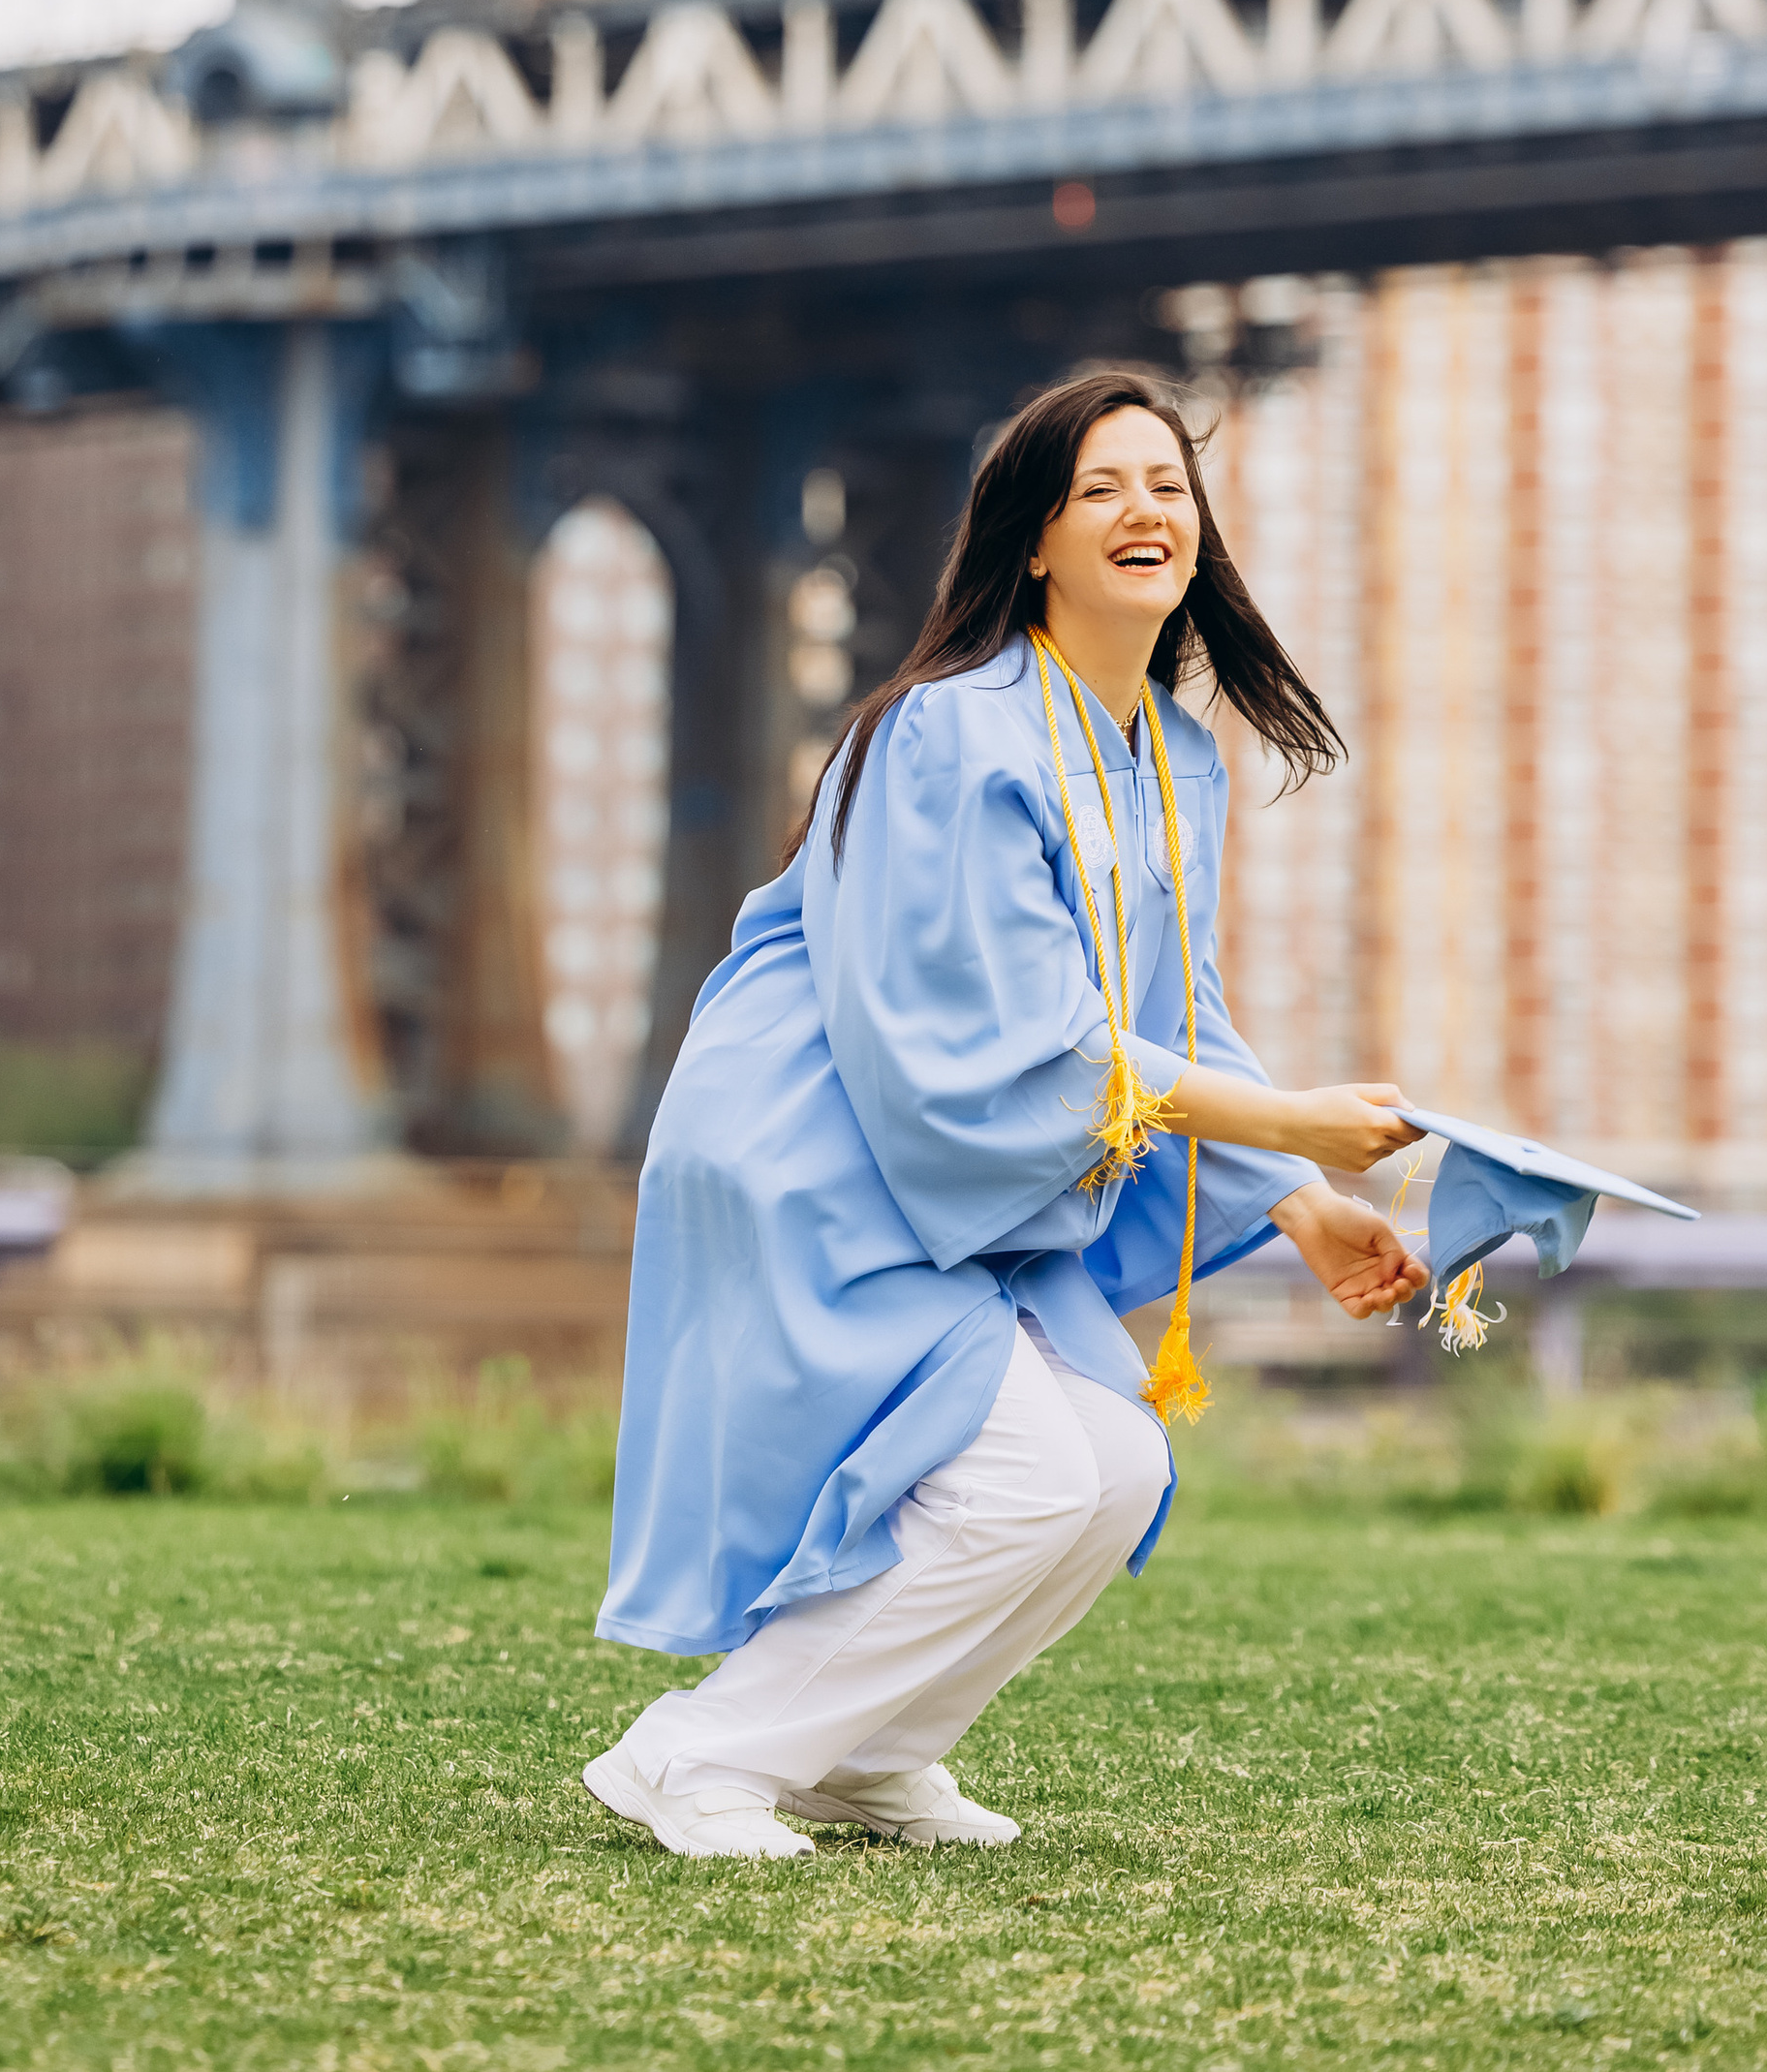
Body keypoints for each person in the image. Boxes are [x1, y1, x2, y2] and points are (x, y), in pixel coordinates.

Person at [584, 364, 1426, 1863]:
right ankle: (695, 1753)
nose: (1144, 509)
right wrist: (1294, 1124)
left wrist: (1302, 1202)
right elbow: (1020, 1040)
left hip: (974, 1163)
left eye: (1166, 484)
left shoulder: (1173, 754)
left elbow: (1172, 1015)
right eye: (1101, 488)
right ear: (1034, 540)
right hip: (829, 1136)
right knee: (1029, 1468)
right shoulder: (949, 734)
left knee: (1118, 1464)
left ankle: (866, 1754)